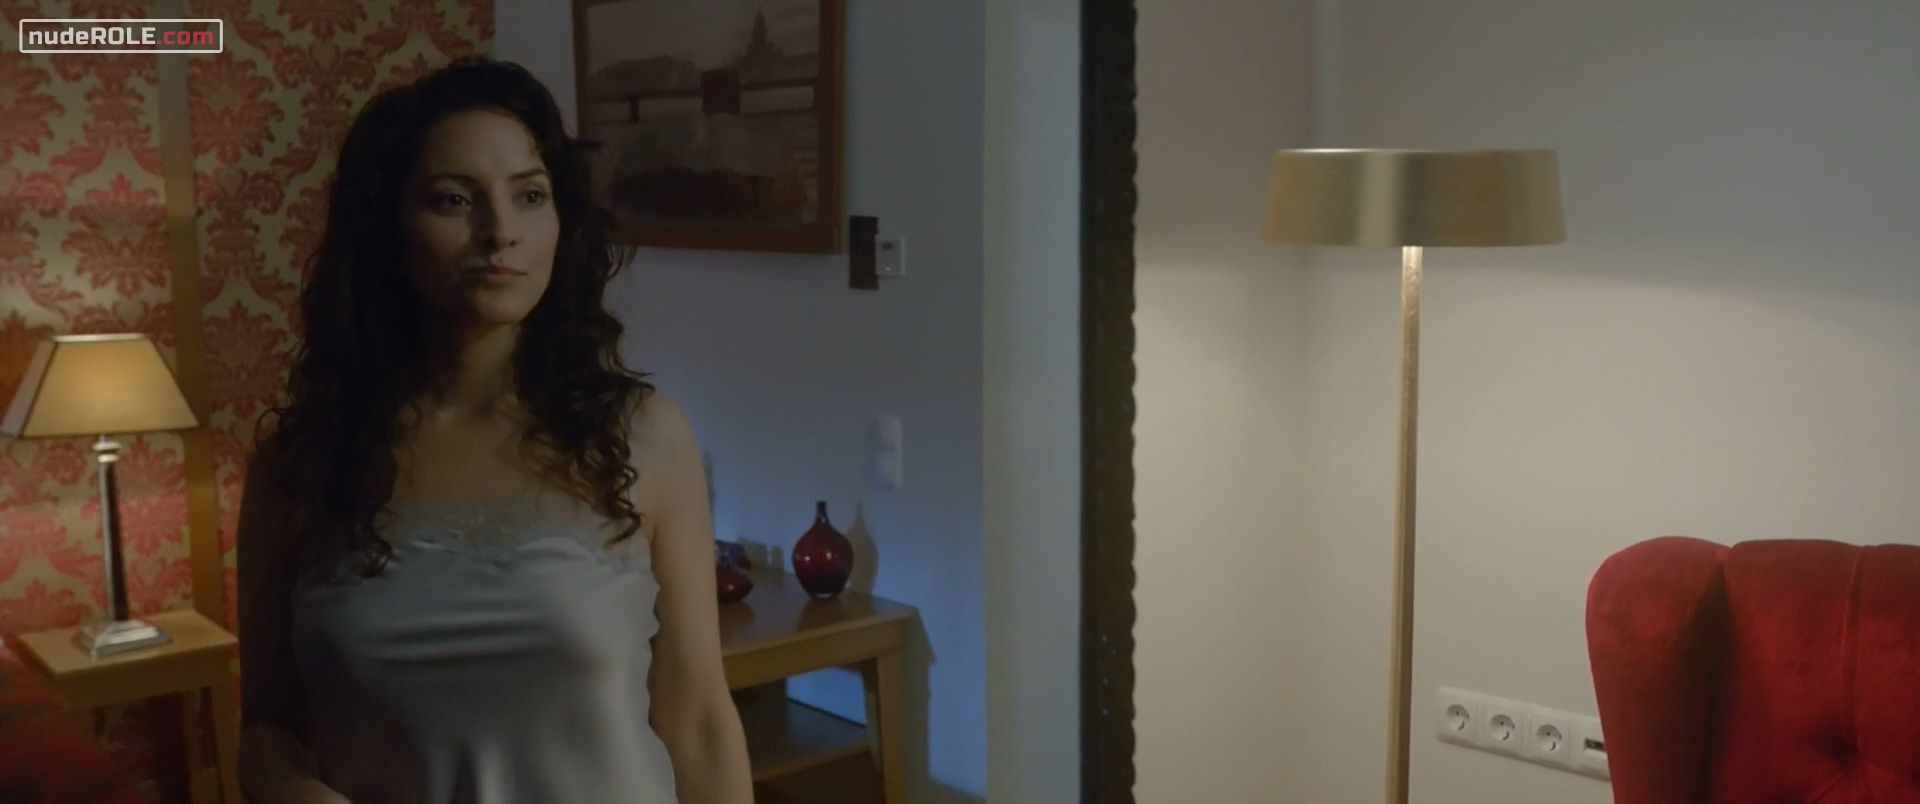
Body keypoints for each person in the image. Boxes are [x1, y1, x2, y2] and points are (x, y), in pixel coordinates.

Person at [233, 57, 753, 803]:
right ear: (388, 225)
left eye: (530, 196)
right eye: (454, 199)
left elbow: (700, 721)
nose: (501, 232)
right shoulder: (301, 464)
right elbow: (265, 727)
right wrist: (291, 790)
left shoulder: (642, 436)